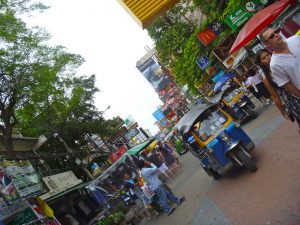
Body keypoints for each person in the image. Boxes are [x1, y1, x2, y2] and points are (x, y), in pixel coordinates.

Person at [256, 48, 300, 132]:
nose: (267, 58)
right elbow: (275, 96)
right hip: (291, 99)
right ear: (261, 63)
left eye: (267, 55)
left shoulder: (282, 63)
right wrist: (282, 111)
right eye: (264, 58)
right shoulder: (266, 77)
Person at [259, 27, 300, 97]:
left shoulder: (296, 39)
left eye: (276, 31)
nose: (276, 35)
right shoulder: (275, 64)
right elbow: (288, 86)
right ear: (267, 44)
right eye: (272, 36)